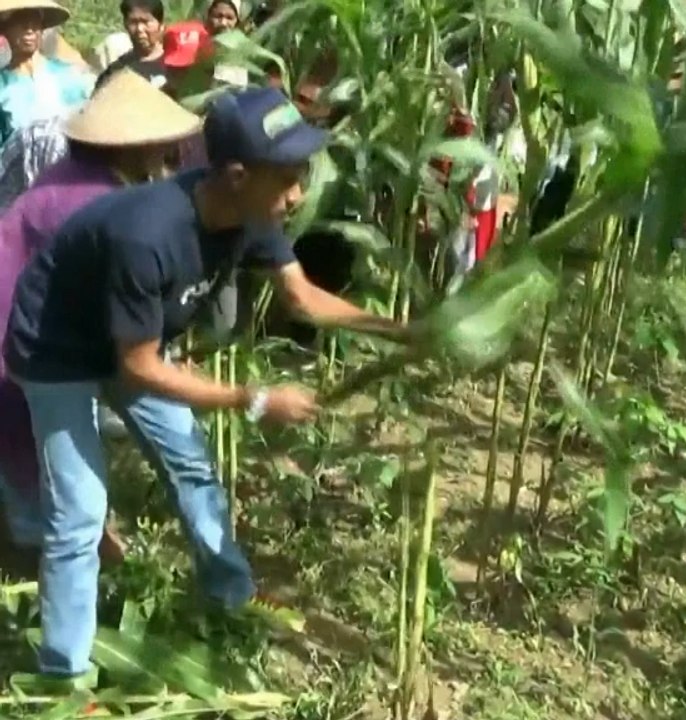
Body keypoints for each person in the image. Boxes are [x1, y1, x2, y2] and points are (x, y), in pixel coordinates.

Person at [3, 85, 409, 690]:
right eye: (289, 177)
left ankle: (230, 596)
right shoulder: (148, 234)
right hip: (55, 348)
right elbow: (139, 368)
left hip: (126, 342)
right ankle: (64, 678)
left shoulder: (256, 215)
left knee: (191, 466)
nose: (299, 192)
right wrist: (254, 398)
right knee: (80, 513)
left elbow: (301, 298)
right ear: (238, 174)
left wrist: (404, 331)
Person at [0, 69, 197, 582]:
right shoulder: (98, 200)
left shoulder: (76, 175)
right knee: (28, 437)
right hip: (17, 327)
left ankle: (38, 541)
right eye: (158, 144)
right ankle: (31, 561)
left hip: (27, 315)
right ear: (134, 147)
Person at [0, 0, 92, 144]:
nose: (29, 29)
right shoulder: (2, 86)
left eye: (35, 21)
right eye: (21, 21)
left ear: (42, 28)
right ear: (5, 29)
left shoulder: (68, 75)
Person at [95, 0, 167, 89]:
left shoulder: (174, 67)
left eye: (146, 22)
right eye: (133, 22)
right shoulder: (116, 71)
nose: (139, 29)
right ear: (125, 24)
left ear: (161, 25)